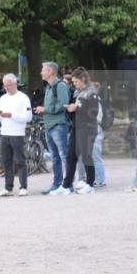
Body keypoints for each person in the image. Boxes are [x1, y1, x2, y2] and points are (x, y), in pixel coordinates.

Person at [51, 67, 99, 195]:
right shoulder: (77, 92)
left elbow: (93, 112)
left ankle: (90, 184)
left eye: (76, 82)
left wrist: (77, 108)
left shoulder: (92, 92)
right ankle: (66, 185)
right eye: (73, 82)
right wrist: (70, 109)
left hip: (88, 129)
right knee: (70, 156)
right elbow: (75, 110)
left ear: (83, 79)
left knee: (86, 156)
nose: (74, 84)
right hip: (76, 128)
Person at [0, 74, 32, 197]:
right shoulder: (3, 98)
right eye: (5, 86)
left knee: (20, 160)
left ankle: (23, 187)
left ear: (15, 84)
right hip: (4, 132)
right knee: (6, 161)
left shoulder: (23, 98)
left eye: (9, 85)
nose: (7, 88)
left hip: (17, 133)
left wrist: (12, 115)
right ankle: (8, 187)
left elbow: (28, 117)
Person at [34, 61, 70, 194]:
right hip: (49, 126)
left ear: (50, 72)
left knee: (64, 156)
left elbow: (64, 105)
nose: (41, 72)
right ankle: (57, 184)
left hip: (58, 126)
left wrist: (45, 109)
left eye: (43, 70)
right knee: (55, 158)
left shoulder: (60, 86)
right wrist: (44, 109)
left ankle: (68, 185)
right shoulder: (49, 87)